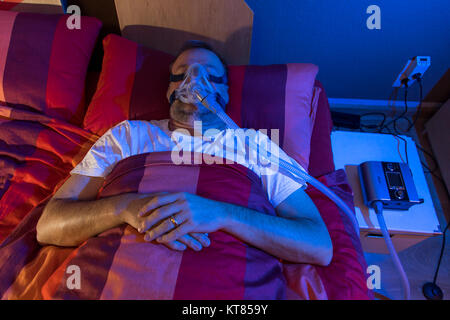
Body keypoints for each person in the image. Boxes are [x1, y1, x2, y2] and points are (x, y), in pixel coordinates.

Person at [36, 41, 332, 266]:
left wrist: (222, 214)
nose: (194, 81)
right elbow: (49, 226)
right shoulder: (128, 136)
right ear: (169, 91)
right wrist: (124, 207)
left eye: (210, 77)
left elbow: (318, 245)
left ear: (225, 94)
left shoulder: (254, 145)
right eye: (181, 75)